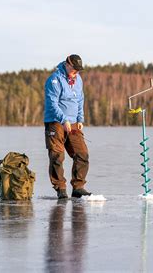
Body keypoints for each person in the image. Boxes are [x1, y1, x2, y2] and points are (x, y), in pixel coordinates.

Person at [44, 54, 92, 199]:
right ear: (67, 64)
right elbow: (52, 103)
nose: (76, 72)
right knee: (57, 156)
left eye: (78, 70)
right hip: (55, 122)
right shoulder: (54, 79)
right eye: (74, 69)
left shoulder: (78, 80)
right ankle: (61, 188)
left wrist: (80, 119)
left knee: (82, 154)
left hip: (73, 123)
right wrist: (63, 120)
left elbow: (80, 99)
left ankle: (78, 187)